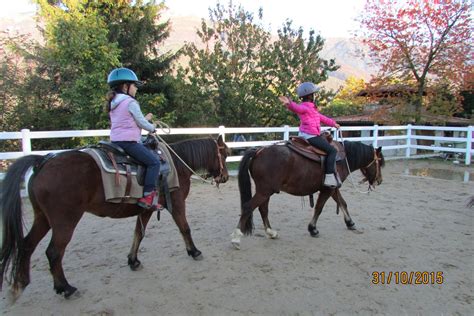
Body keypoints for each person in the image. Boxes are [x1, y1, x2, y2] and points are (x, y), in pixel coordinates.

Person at [106, 67, 161, 209]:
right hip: (129, 142)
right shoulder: (130, 102)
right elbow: (141, 123)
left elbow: (128, 120)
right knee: (154, 162)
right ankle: (148, 196)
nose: (136, 89)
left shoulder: (113, 103)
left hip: (116, 141)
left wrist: (145, 119)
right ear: (126, 86)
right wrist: (153, 128)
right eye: (135, 86)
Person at [279, 82, 341, 188]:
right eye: (314, 94)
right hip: (310, 135)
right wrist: (289, 103)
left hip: (309, 134)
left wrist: (333, 123)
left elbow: (322, 118)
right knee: (332, 151)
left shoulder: (312, 109)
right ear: (310, 95)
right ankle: (329, 177)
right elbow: (297, 108)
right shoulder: (306, 108)